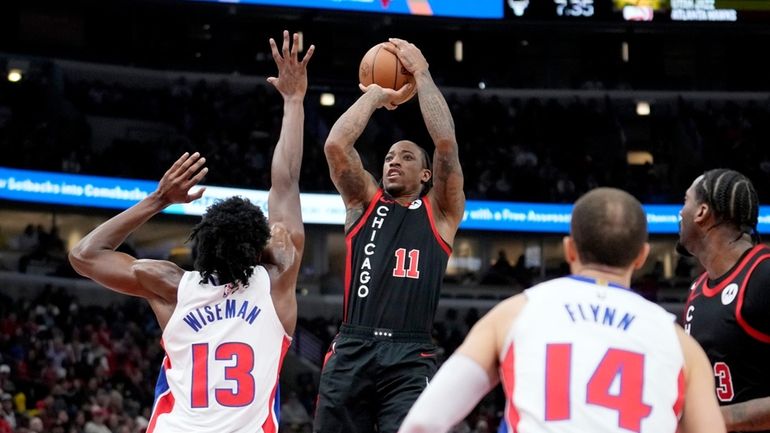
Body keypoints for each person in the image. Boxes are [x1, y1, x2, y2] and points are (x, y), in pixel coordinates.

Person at [68, 30, 314, 433]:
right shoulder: (277, 279)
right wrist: (293, 102)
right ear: (258, 246)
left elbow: (83, 256)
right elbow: (285, 182)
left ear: (203, 241)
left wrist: (159, 199)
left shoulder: (170, 284)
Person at [399, 188, 725, 433]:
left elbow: (423, 423)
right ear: (641, 257)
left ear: (569, 249)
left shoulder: (513, 314)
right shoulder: (681, 344)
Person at [315, 37, 465, 433]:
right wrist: (376, 96)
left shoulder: (441, 210)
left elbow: (445, 142)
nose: (394, 161)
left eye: (407, 157)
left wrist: (422, 73)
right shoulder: (364, 201)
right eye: (388, 157)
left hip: (409, 355)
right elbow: (335, 145)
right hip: (352, 347)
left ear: (426, 175)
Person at [678, 169, 770, 433]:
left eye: (686, 201)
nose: (680, 212)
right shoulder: (697, 289)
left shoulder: (762, 276)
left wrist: (716, 419)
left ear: (702, 212)